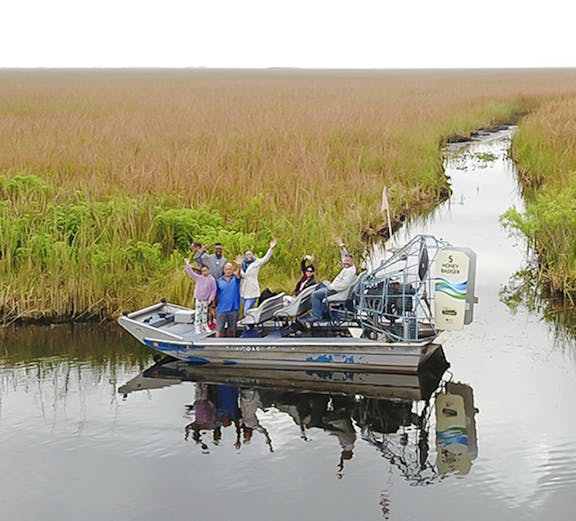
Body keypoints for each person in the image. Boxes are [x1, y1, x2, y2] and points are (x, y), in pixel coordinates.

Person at [310, 239, 356, 321]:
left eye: (348, 261)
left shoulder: (350, 271)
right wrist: (341, 247)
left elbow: (344, 285)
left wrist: (332, 286)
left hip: (337, 290)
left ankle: (317, 316)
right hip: (336, 288)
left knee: (315, 295)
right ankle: (323, 311)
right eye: (345, 260)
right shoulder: (349, 267)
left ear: (352, 262)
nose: (345, 261)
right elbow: (344, 256)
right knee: (320, 286)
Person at [239, 239, 277, 313]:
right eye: (247, 254)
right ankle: (251, 323)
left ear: (252, 254)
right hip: (243, 290)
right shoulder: (242, 264)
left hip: (252, 289)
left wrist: (271, 248)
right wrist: (239, 266)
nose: (249, 256)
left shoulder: (256, 262)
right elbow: (241, 275)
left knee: (246, 311)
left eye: (250, 254)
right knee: (248, 310)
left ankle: (249, 323)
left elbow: (265, 259)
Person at [184, 260, 217, 333]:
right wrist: (188, 265)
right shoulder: (199, 278)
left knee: (205, 313)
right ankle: (197, 326)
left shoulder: (212, 279)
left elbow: (214, 290)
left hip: (206, 299)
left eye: (206, 270)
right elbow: (191, 274)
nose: (205, 272)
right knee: (198, 313)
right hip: (199, 298)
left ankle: (205, 325)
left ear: (208, 270)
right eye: (203, 271)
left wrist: (211, 299)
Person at [214, 261, 241, 337]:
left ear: (232, 270)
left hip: (233, 308)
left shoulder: (236, 279)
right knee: (219, 329)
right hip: (221, 309)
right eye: (227, 269)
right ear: (224, 270)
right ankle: (216, 346)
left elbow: (239, 274)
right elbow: (215, 294)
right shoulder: (219, 281)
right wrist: (213, 307)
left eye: (230, 269)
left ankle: (230, 346)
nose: (228, 271)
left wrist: (239, 266)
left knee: (231, 330)